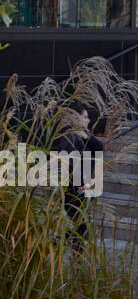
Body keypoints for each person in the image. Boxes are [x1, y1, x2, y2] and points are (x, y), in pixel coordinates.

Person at [52, 105, 104, 254]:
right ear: (77, 118)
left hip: (83, 187)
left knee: (82, 226)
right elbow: (71, 164)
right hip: (75, 189)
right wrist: (82, 186)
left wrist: (86, 136)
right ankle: (58, 243)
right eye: (85, 117)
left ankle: (65, 246)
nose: (88, 120)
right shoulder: (70, 137)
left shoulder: (82, 136)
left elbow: (100, 148)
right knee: (83, 226)